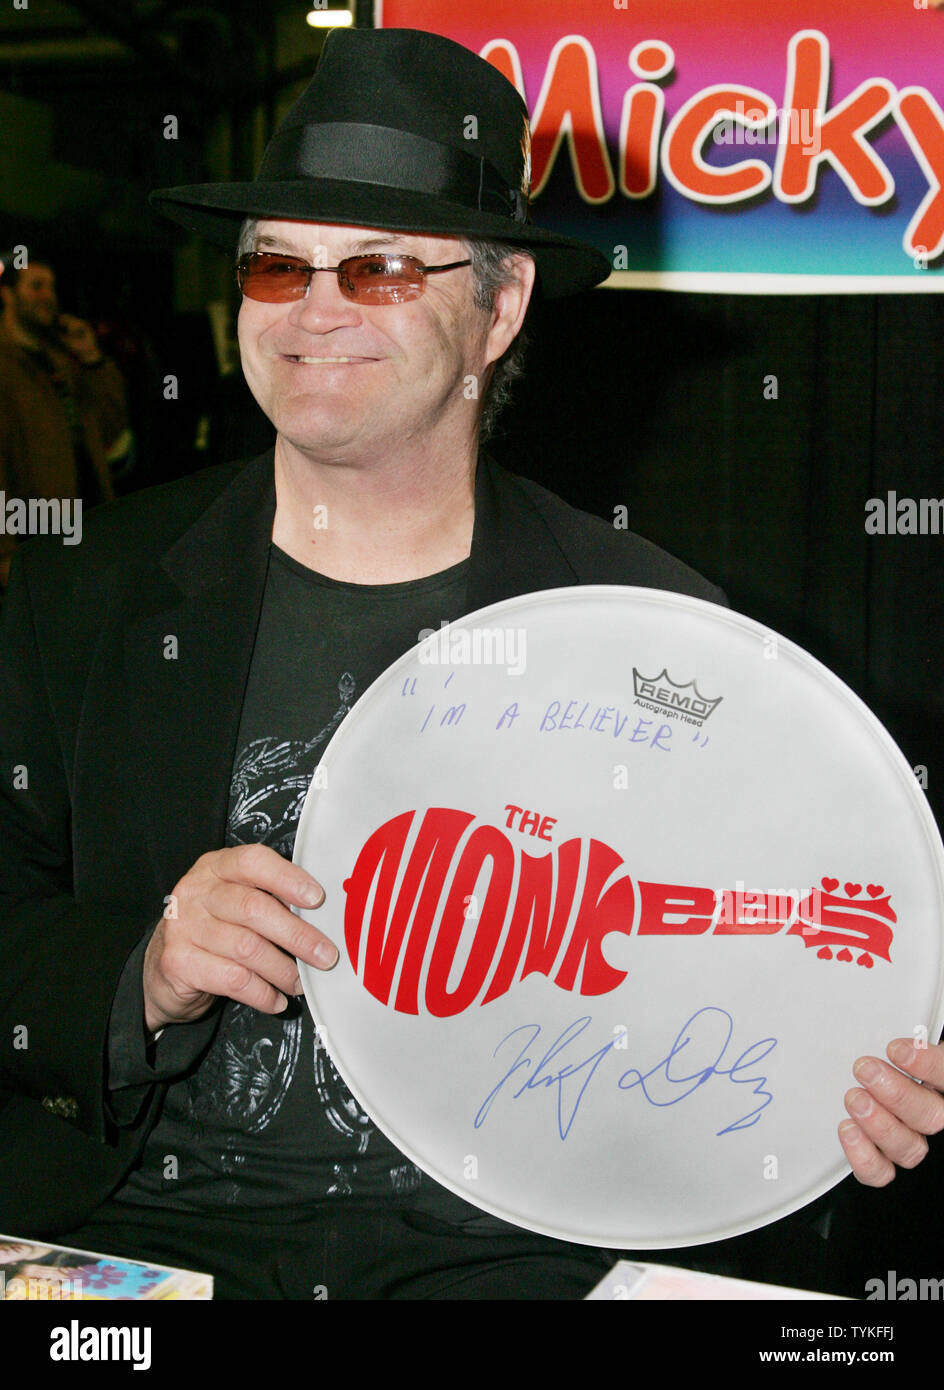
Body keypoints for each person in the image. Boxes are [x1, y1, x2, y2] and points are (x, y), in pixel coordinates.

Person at [0, 27, 940, 1300]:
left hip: (506, 1260)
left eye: (380, 269)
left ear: (497, 308)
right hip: (146, 1249)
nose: (312, 312)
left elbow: (770, 970)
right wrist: (142, 969)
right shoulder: (91, 589)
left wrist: (854, 1091)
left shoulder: (652, 633)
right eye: (276, 267)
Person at [0, 254, 128, 592]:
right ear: (8, 295)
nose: (48, 296)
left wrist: (91, 358)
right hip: (34, 539)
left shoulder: (61, 362)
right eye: (36, 286)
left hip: (87, 530)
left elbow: (110, 427)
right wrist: (4, 550)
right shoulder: (5, 366)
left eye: (52, 287)